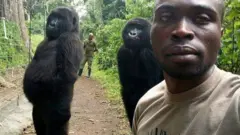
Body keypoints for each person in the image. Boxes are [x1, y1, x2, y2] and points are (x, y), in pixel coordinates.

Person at [132, 0, 240, 135]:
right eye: (165, 17)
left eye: (202, 19)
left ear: (220, 35)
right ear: (151, 34)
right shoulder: (145, 105)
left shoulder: (235, 102)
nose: (181, 30)